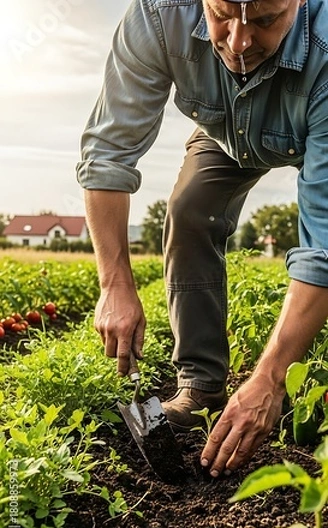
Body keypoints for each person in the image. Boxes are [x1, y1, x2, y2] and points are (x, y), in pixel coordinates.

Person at [76, 0, 328, 478]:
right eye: (222, 15)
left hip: (310, 122)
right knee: (189, 211)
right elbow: (108, 153)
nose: (238, 43)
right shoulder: (158, 16)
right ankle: (202, 388)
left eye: (265, 20)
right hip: (226, 134)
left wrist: (271, 378)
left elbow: (324, 245)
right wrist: (114, 284)